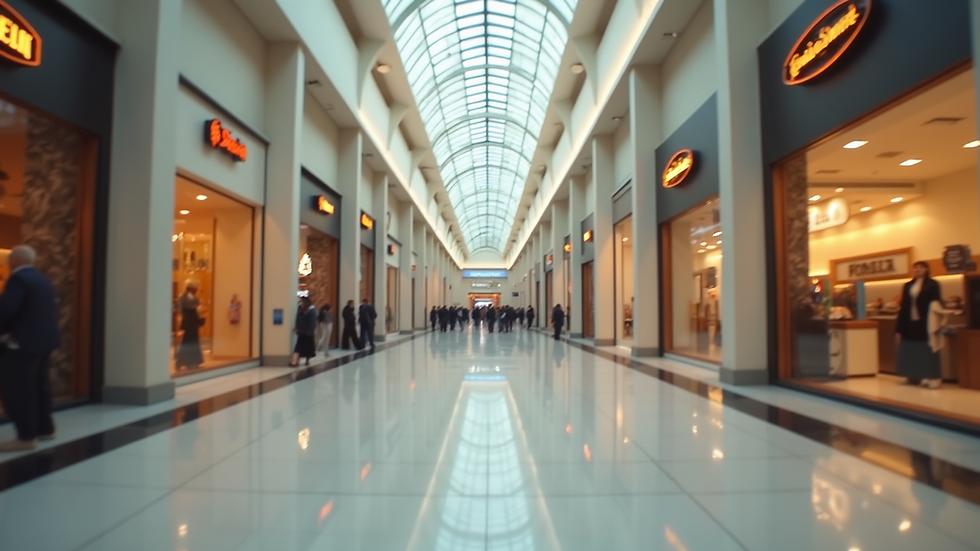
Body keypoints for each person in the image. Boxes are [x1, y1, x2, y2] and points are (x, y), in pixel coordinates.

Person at [0, 246, 61, 451]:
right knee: (40, 386)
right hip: (44, 342)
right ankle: (46, 429)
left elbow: (7, 308)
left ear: (15, 260)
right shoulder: (42, 279)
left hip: (22, 344)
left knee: (19, 390)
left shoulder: (18, 279)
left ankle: (26, 437)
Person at [895, 261, 943, 388]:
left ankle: (928, 376)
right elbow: (904, 306)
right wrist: (899, 328)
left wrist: (937, 323)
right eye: (915, 268)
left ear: (927, 269)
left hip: (926, 321)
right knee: (910, 348)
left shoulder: (933, 285)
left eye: (921, 267)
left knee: (926, 349)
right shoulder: (907, 285)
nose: (918, 270)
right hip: (910, 322)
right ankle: (910, 375)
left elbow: (936, 303)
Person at [175, 279, 205, 370]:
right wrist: (183, 318)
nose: (194, 290)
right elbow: (180, 309)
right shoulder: (182, 297)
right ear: (188, 288)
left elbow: (197, 304)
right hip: (187, 320)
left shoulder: (193, 297)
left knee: (194, 339)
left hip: (193, 319)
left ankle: (193, 361)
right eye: (193, 288)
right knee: (187, 340)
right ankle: (181, 361)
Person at [290, 297, 317, 367]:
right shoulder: (303, 309)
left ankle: (299, 361)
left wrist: (309, 331)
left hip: (306, 333)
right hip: (304, 332)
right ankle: (295, 361)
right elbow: (298, 319)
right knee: (299, 347)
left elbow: (312, 322)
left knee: (302, 348)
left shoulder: (311, 310)